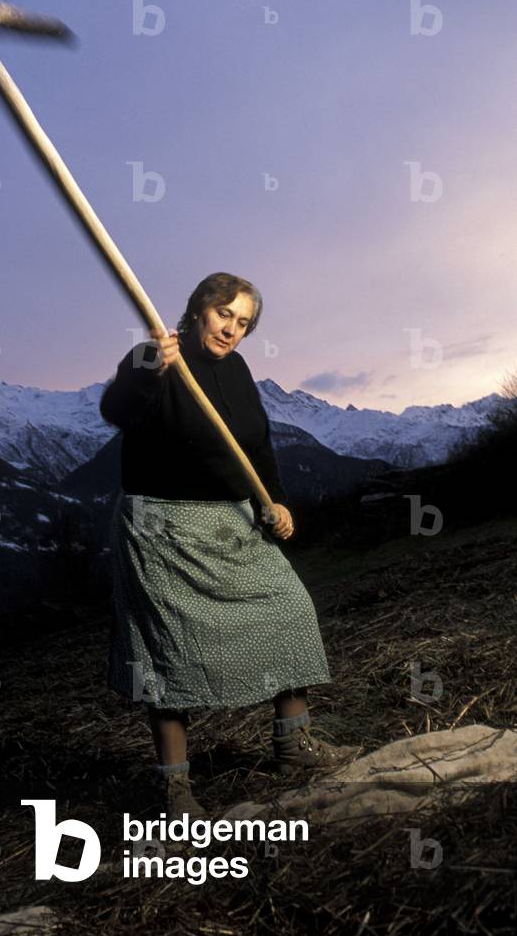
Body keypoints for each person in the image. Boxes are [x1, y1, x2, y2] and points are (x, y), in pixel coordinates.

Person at [99, 273, 360, 820]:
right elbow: (116, 411)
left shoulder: (238, 371)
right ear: (197, 311)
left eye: (243, 323)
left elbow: (257, 445)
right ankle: (174, 788)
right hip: (161, 529)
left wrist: (278, 501)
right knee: (167, 656)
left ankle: (295, 747)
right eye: (224, 315)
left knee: (289, 609)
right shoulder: (154, 359)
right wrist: (149, 366)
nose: (231, 330)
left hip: (233, 523)